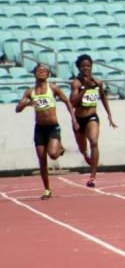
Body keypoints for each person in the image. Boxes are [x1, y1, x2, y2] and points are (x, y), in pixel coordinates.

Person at [15, 64, 77, 200]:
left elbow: (67, 101)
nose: (42, 73)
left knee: (53, 155)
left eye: (44, 71)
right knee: (42, 160)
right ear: (35, 73)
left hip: (52, 127)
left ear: (48, 74)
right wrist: (25, 104)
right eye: (39, 71)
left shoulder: (53, 88)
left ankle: (58, 147)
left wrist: (74, 120)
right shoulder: (30, 92)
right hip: (39, 128)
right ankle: (47, 189)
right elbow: (17, 109)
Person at [69, 54, 117, 188]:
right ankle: (85, 155)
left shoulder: (98, 82)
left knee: (94, 142)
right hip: (79, 119)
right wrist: (84, 89)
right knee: (83, 148)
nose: (86, 68)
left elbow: (103, 97)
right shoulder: (76, 83)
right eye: (83, 66)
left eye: (88, 66)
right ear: (78, 67)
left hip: (92, 117)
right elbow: (73, 103)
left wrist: (109, 115)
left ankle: (93, 176)